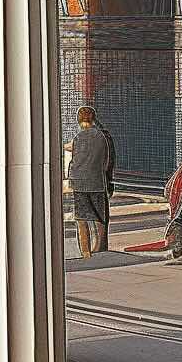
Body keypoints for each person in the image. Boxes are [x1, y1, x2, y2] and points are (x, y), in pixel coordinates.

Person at [68, 105, 116, 256]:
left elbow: (75, 159)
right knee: (99, 216)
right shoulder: (103, 137)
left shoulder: (78, 138)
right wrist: (109, 181)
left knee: (82, 219)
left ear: (79, 120)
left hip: (79, 182)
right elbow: (107, 162)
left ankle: (85, 252)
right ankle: (100, 247)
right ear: (94, 118)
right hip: (96, 181)